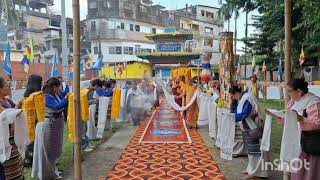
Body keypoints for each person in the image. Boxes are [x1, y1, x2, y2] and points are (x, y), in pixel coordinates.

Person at [281, 78, 320, 180]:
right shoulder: (292, 102)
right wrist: (278, 115)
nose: (289, 94)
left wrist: (303, 119)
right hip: (296, 142)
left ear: (299, 91)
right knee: (297, 171)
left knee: (310, 173)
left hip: (310, 144)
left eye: (290, 91)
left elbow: (317, 123)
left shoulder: (313, 102)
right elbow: (288, 116)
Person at [32, 77, 68, 180]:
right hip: (48, 125)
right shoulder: (46, 97)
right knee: (47, 151)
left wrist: (65, 98)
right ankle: (48, 174)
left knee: (53, 150)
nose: (60, 88)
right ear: (54, 87)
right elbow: (56, 107)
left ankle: (53, 170)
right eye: (59, 86)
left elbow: (62, 104)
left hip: (55, 125)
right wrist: (66, 99)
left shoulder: (55, 94)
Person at [229, 86, 269, 179]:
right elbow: (240, 112)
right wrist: (230, 114)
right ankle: (251, 169)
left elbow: (245, 113)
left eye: (233, 96)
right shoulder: (243, 98)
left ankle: (257, 173)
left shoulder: (247, 98)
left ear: (237, 93)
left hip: (254, 127)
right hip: (249, 127)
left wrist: (231, 117)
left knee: (256, 150)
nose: (233, 98)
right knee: (251, 150)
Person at [0, 78, 24, 180]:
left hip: (12, 137)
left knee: (15, 162)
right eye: (7, 85)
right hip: (3, 138)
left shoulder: (7, 100)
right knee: (6, 164)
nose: (10, 87)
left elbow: (15, 111)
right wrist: (18, 108)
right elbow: (6, 115)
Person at [23, 74, 43, 167]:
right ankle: (32, 160)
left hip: (29, 120)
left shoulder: (27, 92)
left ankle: (29, 160)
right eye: (41, 82)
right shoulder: (36, 94)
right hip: (34, 120)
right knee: (33, 140)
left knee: (31, 140)